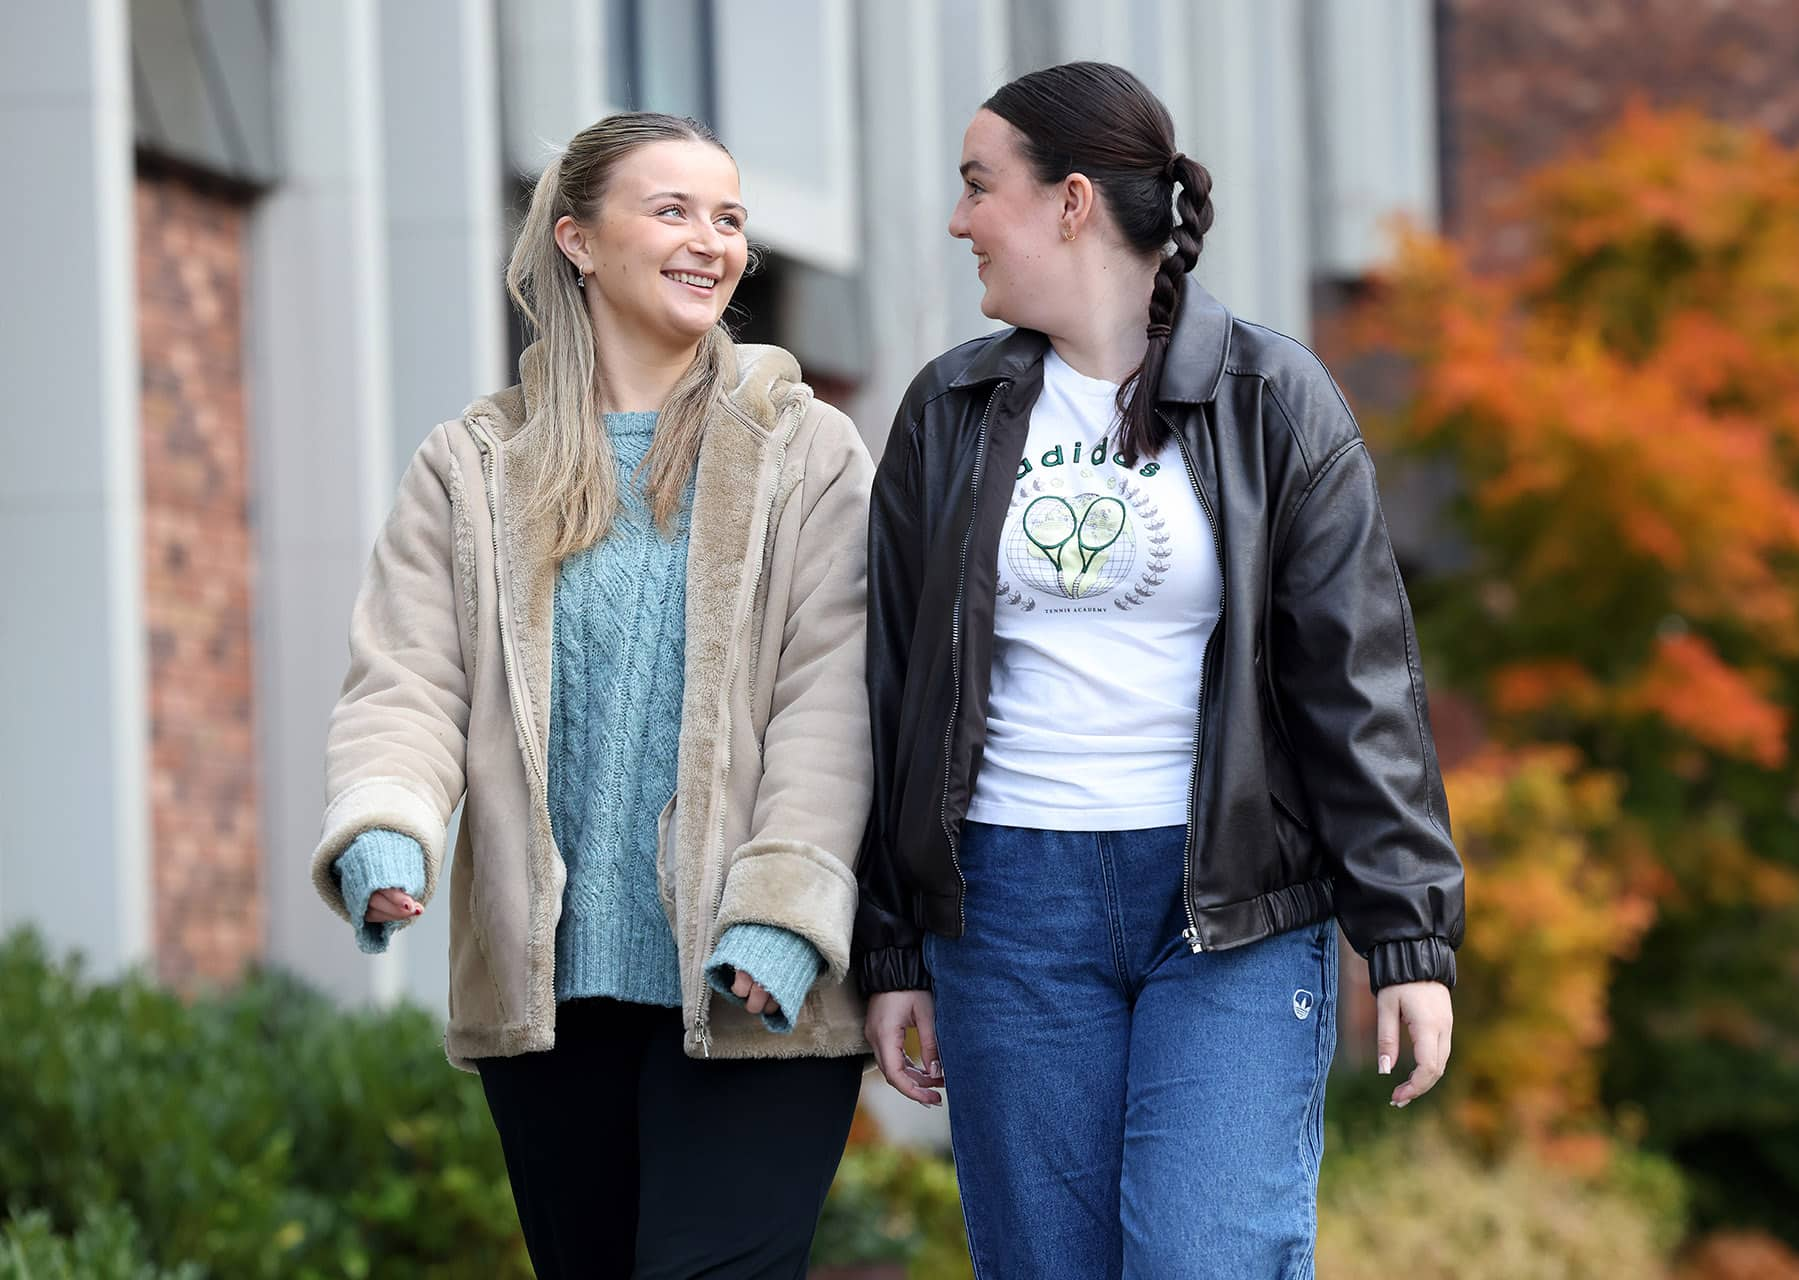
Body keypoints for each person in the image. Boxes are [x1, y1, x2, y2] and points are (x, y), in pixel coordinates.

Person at [856, 62, 1465, 1278]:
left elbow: (1358, 680)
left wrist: (1407, 929)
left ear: (1071, 201)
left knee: (1207, 1255)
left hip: (1228, 904)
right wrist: (893, 948)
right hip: (1009, 905)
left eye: (982, 186)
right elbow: (896, 691)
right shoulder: (949, 411)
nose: (959, 217)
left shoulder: (1271, 398)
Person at [309, 111, 874, 1279]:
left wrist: (785, 905)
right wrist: (386, 823)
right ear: (576, 238)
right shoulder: (473, 464)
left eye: (729, 218)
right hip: (549, 994)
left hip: (751, 984)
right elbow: (407, 675)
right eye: (672, 210)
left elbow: (840, 696)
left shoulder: (803, 450)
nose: (711, 241)